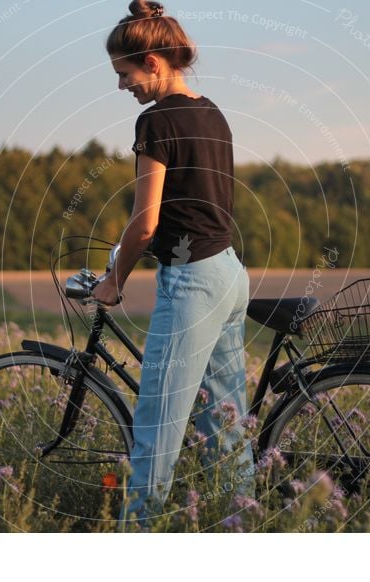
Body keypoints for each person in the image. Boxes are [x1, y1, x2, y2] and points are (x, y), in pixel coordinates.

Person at [92, 0, 255, 528]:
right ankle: (241, 526)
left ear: (154, 62)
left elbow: (145, 222)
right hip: (229, 272)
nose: (123, 86)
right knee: (224, 421)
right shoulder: (213, 112)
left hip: (194, 286)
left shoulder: (156, 122)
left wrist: (113, 282)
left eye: (125, 73)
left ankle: (136, 537)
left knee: (157, 424)